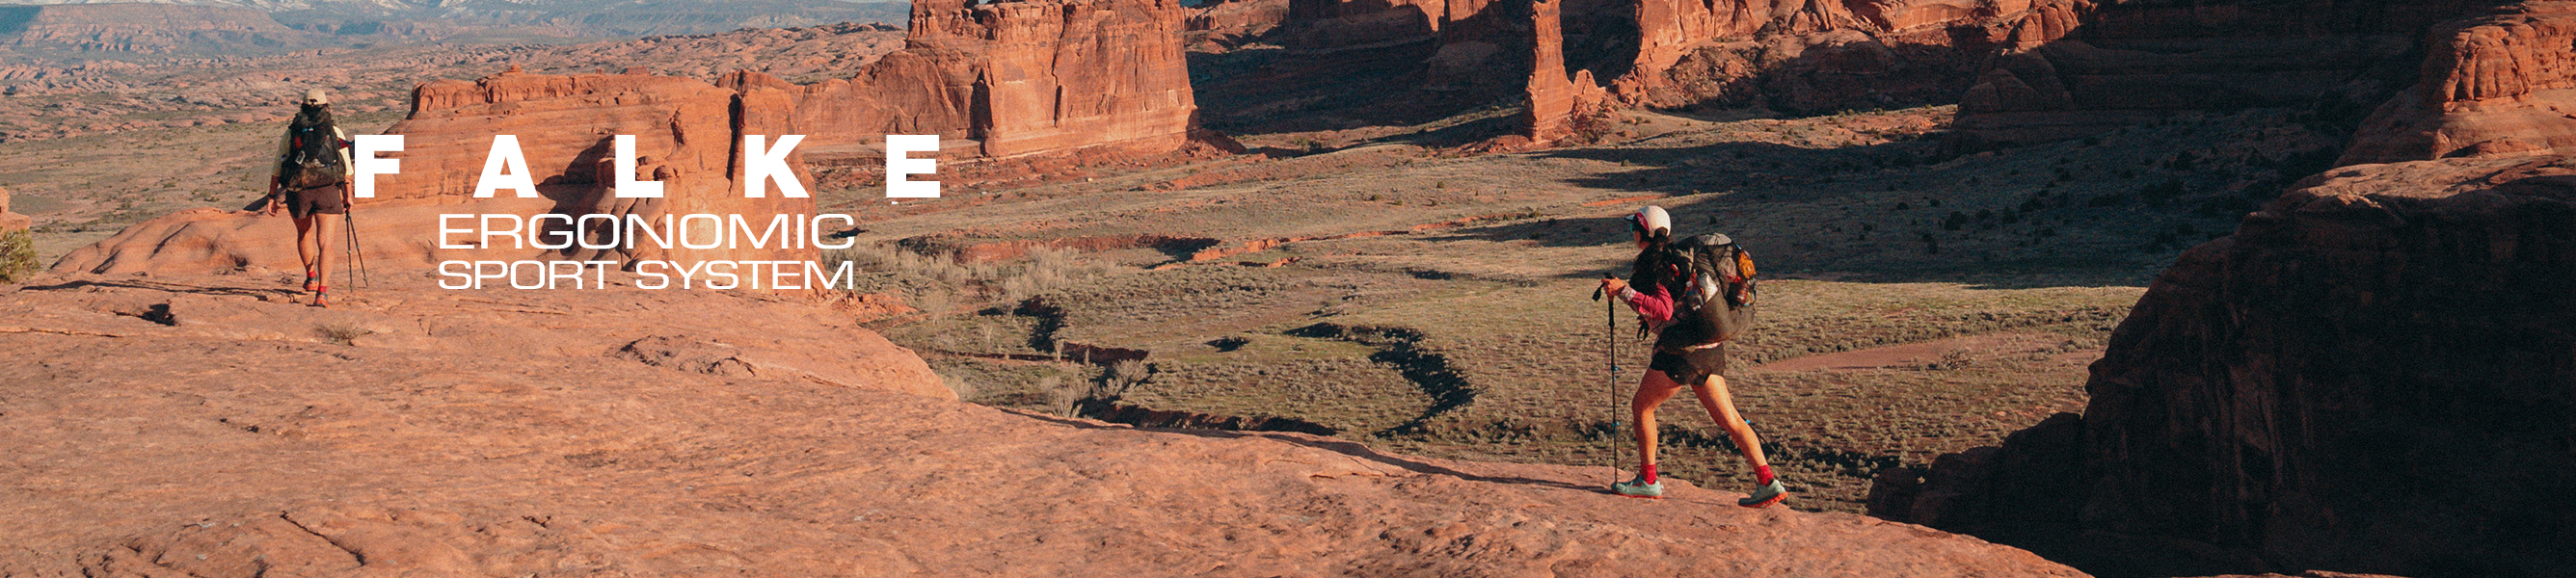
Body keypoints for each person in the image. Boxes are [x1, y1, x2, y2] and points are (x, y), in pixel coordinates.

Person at [1596, 205, 1787, 507]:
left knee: (1641, 407)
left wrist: (1622, 291)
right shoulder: (1679, 261)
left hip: (1681, 352)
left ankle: (1648, 481)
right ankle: (1768, 481)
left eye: (1634, 226)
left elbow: (1662, 310)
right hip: (1708, 349)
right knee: (1731, 420)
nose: (1631, 231)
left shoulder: (1657, 263)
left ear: (1642, 230)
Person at [263, 89, 353, 307]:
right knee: (326, 243)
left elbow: (278, 165)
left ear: (302, 106)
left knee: (304, 232)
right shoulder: (334, 131)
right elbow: (346, 169)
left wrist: (271, 195)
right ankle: (322, 293)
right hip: (328, 190)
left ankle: (311, 276)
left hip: (299, 190)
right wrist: (348, 196)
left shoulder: (293, 132)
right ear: (326, 106)